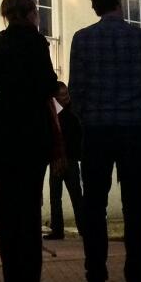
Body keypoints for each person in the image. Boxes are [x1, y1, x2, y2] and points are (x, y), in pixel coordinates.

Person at [69, 0, 141, 282]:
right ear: (119, 4)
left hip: (96, 130)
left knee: (93, 206)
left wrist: (88, 114)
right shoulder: (140, 38)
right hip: (133, 128)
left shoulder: (82, 39)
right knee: (135, 208)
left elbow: (76, 89)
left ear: (95, 7)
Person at [0, 0, 63, 282]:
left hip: (5, 129)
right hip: (32, 131)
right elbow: (46, 83)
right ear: (28, 13)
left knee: (9, 208)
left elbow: (1, 82)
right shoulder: (35, 41)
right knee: (30, 208)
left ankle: (11, 280)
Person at [44, 82, 83, 241]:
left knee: (71, 195)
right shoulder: (63, 113)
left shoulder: (66, 113)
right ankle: (62, 229)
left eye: (66, 94)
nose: (66, 98)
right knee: (61, 195)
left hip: (66, 158)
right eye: (63, 95)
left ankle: (66, 229)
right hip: (62, 158)